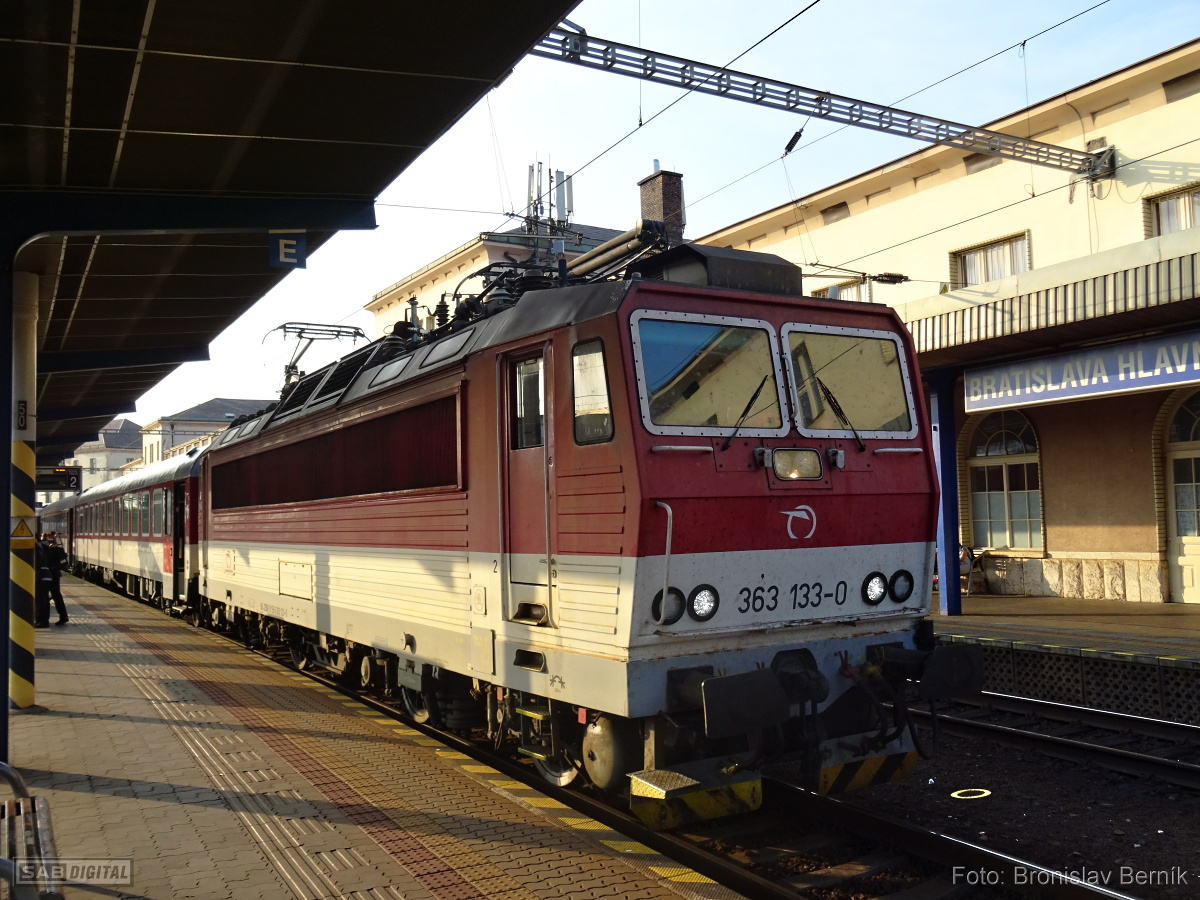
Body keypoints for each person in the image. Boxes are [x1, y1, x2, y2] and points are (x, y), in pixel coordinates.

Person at [35, 532, 68, 627]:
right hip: (54, 573)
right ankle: (63, 616)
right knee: (56, 595)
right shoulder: (48, 546)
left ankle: (44, 620)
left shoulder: (39, 547)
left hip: (45, 574)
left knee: (43, 597)